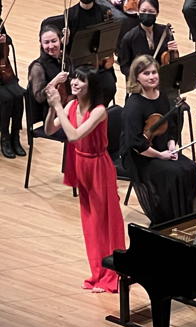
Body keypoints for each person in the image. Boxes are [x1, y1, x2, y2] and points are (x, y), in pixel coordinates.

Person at [44, 65, 125, 293]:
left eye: (81, 80)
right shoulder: (70, 105)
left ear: (91, 86)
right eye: (74, 79)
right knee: (90, 222)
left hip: (99, 166)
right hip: (80, 165)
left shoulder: (99, 111)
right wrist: (53, 108)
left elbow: (74, 134)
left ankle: (112, 273)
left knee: (105, 221)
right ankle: (97, 272)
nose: (75, 83)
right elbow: (50, 130)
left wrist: (59, 105)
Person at [122, 55, 196, 225]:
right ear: (136, 77)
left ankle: (189, 217)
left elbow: (171, 127)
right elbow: (136, 143)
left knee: (191, 168)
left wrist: (172, 145)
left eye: (154, 72)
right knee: (173, 173)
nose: (152, 76)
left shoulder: (162, 96)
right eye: (146, 73)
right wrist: (161, 155)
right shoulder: (134, 105)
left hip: (162, 147)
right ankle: (169, 219)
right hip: (141, 155)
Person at [66, 0, 117, 106]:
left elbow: (109, 39)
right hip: (79, 64)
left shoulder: (104, 11)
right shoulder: (70, 14)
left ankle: (100, 112)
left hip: (100, 62)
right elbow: (67, 47)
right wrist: (65, 40)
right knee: (82, 89)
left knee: (110, 86)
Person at [118, 0, 179, 80]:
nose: (147, 14)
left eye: (151, 11)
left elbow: (173, 63)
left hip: (161, 80)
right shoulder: (129, 37)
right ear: (138, 11)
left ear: (157, 13)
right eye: (143, 11)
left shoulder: (165, 32)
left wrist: (173, 52)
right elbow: (124, 67)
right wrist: (139, 77)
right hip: (138, 83)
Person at [28, 26, 70, 125]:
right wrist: (55, 81)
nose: (51, 46)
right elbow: (39, 97)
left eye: (54, 41)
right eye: (46, 42)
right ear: (41, 45)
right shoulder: (37, 67)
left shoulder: (64, 58)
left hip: (67, 106)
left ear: (60, 40)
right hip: (52, 115)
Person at [0, 20, 25, 159]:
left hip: (4, 71)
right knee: (7, 99)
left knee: (18, 94)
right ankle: (4, 137)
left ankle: (15, 135)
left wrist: (5, 40)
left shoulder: (0, 25)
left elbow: (8, 46)